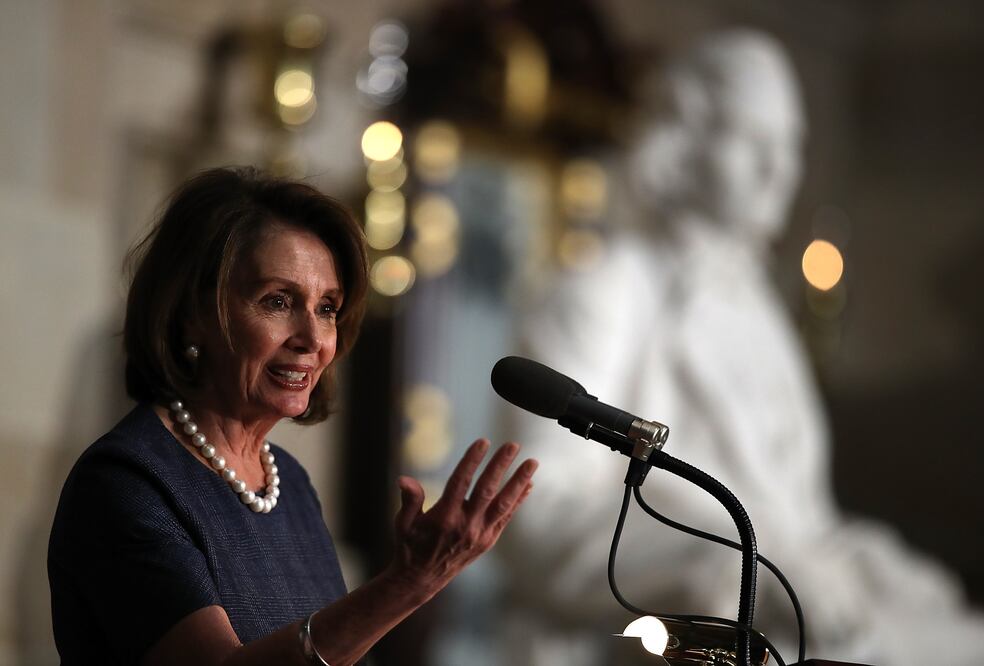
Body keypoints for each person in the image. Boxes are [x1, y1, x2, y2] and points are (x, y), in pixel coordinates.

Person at [497, 29, 983, 665]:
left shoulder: (759, 312)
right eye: (752, 142)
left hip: (793, 616)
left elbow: (798, 518)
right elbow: (535, 518)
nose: (777, 169)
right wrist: (729, 563)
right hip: (680, 630)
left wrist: (864, 559)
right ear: (684, 140)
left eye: (789, 146)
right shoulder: (606, 292)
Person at [47, 167, 538, 666]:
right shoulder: (127, 482)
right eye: (278, 301)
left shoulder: (291, 486)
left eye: (327, 307)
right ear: (192, 311)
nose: (312, 338)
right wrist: (407, 584)